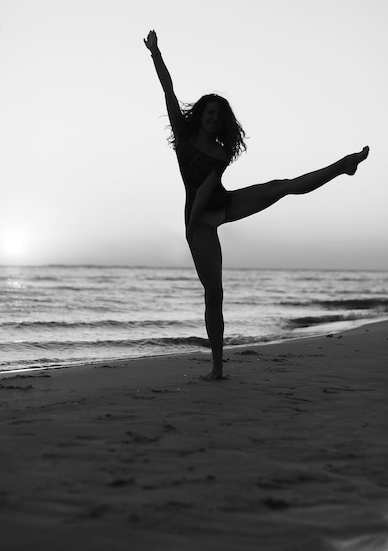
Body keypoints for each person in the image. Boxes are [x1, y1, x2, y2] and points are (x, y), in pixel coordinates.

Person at [144, 29, 369, 380]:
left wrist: (189, 225)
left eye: (219, 115)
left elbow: (207, 189)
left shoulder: (219, 152)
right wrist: (156, 53)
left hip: (218, 204)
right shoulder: (183, 135)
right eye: (210, 112)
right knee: (214, 293)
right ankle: (217, 367)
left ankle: (343, 166)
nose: (213, 118)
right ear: (201, 112)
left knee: (281, 187)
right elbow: (168, 90)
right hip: (198, 221)